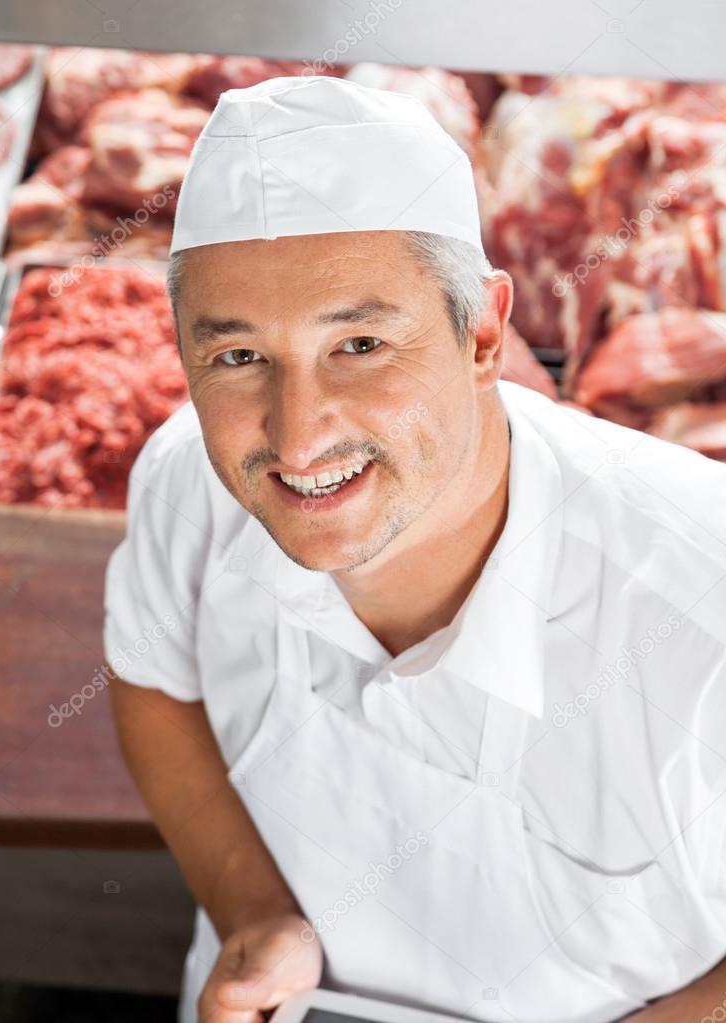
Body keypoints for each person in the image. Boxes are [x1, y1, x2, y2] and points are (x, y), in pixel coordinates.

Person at [103, 75, 726, 1023]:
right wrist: (257, 914)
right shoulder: (189, 479)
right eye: (238, 357)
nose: (298, 435)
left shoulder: (698, 598)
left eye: (359, 344)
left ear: (482, 332)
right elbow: (152, 680)